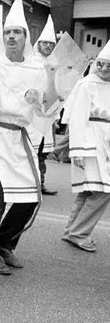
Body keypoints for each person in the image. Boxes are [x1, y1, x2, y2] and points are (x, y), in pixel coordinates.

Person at [0, 0, 60, 275]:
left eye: (17, 32)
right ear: (2, 37)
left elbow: (49, 106)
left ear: (26, 37)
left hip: (18, 138)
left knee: (30, 197)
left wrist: (46, 86)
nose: (12, 36)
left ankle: (5, 243)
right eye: (7, 32)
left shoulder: (36, 68)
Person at [60, 42, 110, 252]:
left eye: (109, 66)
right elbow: (77, 120)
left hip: (104, 145)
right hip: (90, 146)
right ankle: (79, 233)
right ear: (95, 63)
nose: (104, 69)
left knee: (89, 190)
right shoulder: (86, 85)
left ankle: (71, 230)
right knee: (103, 192)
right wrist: (77, 150)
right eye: (101, 64)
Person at [29, 15, 59, 195]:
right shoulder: (31, 62)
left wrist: (56, 115)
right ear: (39, 44)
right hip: (33, 114)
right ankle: (29, 183)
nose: (48, 46)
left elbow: (59, 90)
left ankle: (40, 183)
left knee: (42, 151)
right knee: (29, 149)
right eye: (45, 43)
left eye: (51, 43)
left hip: (48, 115)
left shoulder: (56, 64)